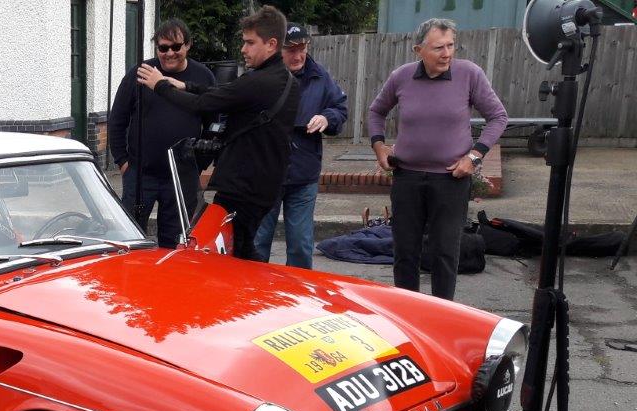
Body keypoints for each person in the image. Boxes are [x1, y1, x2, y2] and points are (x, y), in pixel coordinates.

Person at [136, 5, 300, 262]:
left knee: (230, 257)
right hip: (266, 185)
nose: (243, 49)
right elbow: (228, 92)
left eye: (249, 43)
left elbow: (205, 104)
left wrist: (161, 86)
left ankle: (248, 296)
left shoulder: (259, 82)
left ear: (271, 44)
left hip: (243, 187)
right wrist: (187, 84)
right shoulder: (288, 81)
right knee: (242, 249)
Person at [368, 17, 507, 301]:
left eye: (450, 46)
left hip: (451, 180)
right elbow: (375, 112)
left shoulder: (469, 74)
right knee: (405, 253)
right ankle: (408, 314)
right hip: (407, 178)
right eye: (438, 48)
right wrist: (379, 146)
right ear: (418, 50)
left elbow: (498, 117)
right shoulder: (402, 77)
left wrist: (475, 156)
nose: (446, 54)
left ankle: (442, 314)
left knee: (445, 253)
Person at [108, 19, 216, 248]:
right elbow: (117, 118)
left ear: (188, 45)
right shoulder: (140, 73)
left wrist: (199, 165)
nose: (169, 53)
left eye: (176, 47)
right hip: (140, 174)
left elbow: (213, 123)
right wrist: (123, 161)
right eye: (163, 48)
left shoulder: (203, 77)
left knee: (175, 241)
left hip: (181, 176)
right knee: (130, 240)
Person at [252, 24, 347, 269]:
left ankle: (300, 299)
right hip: (266, 174)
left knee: (301, 246)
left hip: (303, 175)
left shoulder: (319, 76)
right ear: (277, 49)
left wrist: (328, 118)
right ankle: (252, 296)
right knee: (257, 242)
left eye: (302, 48)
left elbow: (339, 109)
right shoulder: (263, 75)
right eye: (290, 50)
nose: (297, 55)